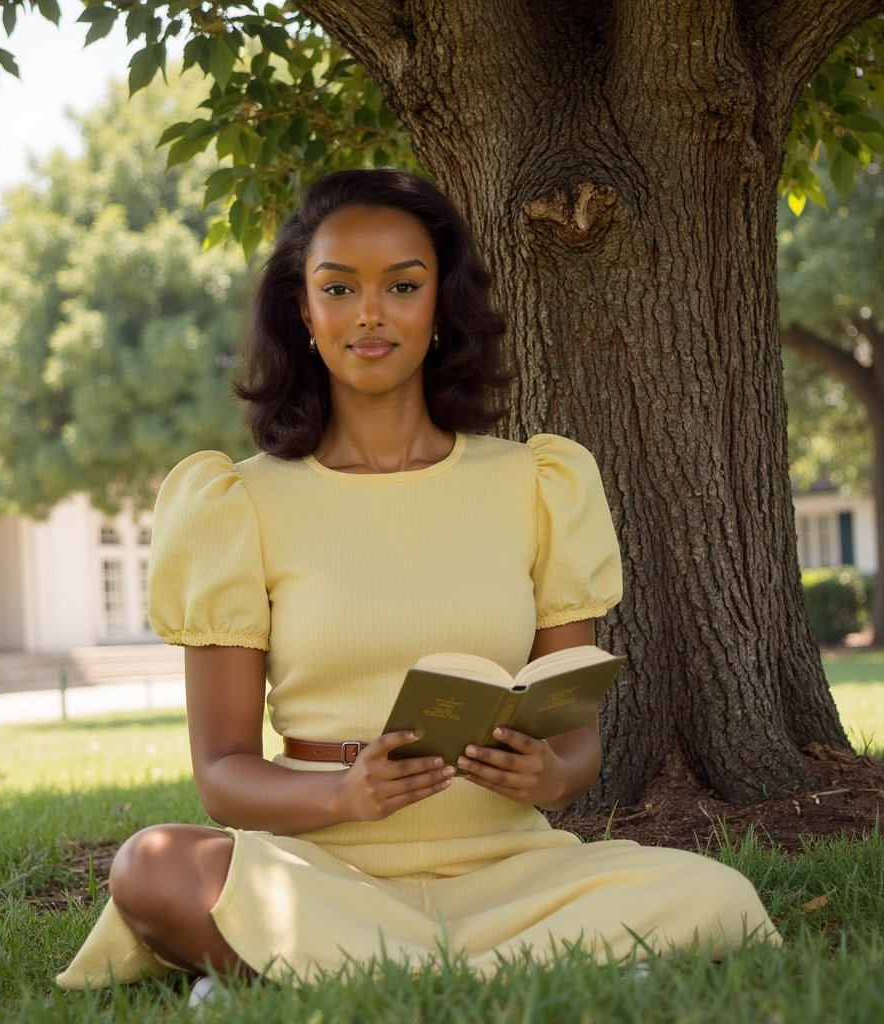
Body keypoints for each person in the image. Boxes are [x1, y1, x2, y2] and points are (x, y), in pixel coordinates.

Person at [56, 169, 778, 995]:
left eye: (403, 285)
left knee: (716, 893)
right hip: (320, 873)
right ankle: (508, 975)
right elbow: (222, 772)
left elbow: (574, 738)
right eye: (340, 288)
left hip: (514, 874)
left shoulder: (538, 482)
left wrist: (550, 777)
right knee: (152, 866)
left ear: (440, 305)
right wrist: (344, 797)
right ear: (304, 309)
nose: (371, 312)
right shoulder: (237, 500)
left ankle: (328, 974)